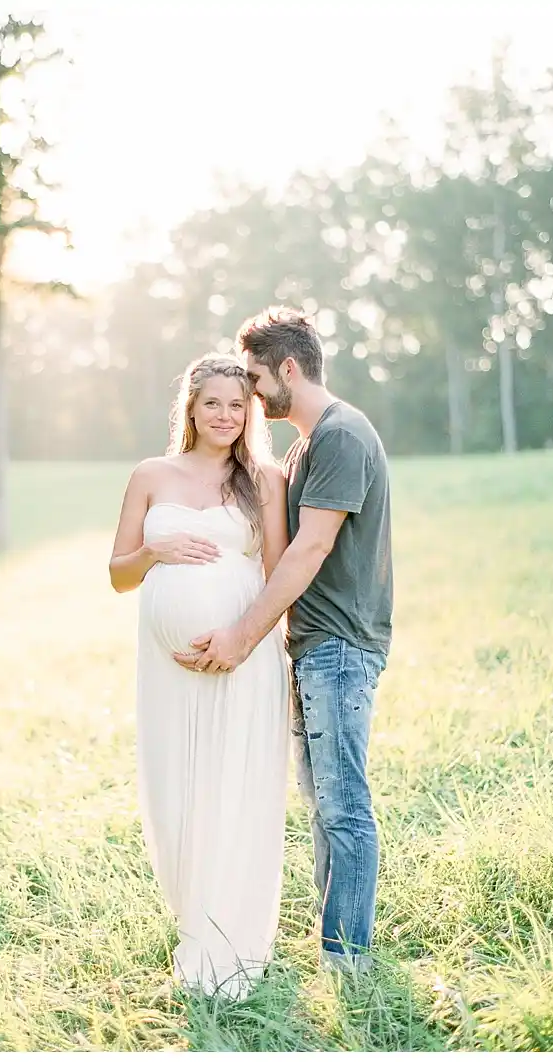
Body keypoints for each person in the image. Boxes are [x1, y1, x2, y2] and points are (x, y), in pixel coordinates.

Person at [174, 307, 393, 974]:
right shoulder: (307, 445)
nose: (249, 393)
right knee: (325, 804)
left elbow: (308, 551)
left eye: (255, 377)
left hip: (339, 647)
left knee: (344, 807)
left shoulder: (341, 438)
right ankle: (338, 950)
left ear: (289, 370)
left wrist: (243, 635)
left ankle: (348, 961)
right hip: (312, 650)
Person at [109, 354, 291, 999]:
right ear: (190, 407)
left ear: (252, 414)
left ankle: (232, 940)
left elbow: (276, 575)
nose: (225, 415)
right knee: (179, 788)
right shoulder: (150, 474)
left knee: (234, 790)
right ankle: (194, 918)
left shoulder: (264, 479)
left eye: (238, 405)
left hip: (243, 660)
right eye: (213, 403)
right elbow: (117, 575)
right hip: (168, 672)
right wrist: (153, 551)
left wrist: (239, 638)